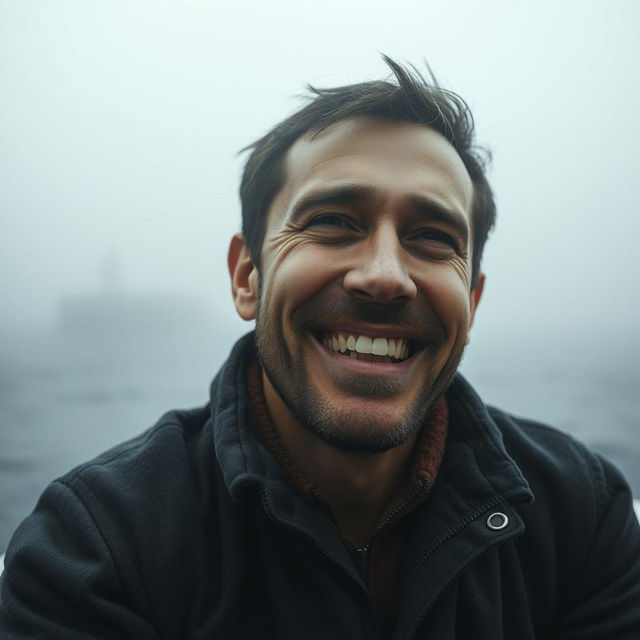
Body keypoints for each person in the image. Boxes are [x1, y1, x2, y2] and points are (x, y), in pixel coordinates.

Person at [1, 57, 639, 639]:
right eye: (333, 222)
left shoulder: (581, 517)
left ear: (470, 304)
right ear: (247, 277)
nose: (385, 274)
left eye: (431, 235)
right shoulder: (96, 549)